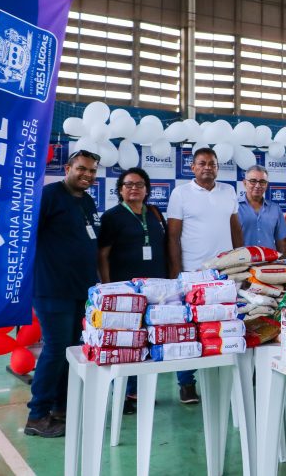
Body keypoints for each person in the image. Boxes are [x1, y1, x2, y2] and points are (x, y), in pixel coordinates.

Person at [25, 149, 101, 438]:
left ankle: (61, 407)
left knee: (70, 351)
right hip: (51, 289)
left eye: (92, 171)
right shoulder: (49, 195)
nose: (87, 175)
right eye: (82, 169)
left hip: (80, 290)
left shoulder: (88, 201)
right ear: (68, 167)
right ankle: (37, 415)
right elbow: (28, 236)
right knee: (56, 350)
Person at [166, 147, 243, 404]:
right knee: (189, 327)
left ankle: (222, 377)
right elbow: (173, 236)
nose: (207, 167)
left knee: (223, 325)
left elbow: (235, 229)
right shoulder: (181, 193)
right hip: (193, 273)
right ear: (193, 167)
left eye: (212, 163)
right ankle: (186, 382)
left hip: (224, 273)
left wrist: (242, 261)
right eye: (202, 163)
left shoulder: (228, 191)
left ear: (217, 167)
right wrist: (177, 272)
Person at [97, 167, 168, 415]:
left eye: (139, 184)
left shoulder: (155, 214)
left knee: (148, 340)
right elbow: (103, 255)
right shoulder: (112, 216)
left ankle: (139, 392)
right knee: (125, 342)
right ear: (120, 190)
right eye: (128, 185)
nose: (134, 188)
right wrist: (108, 288)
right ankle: (122, 394)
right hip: (124, 290)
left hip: (155, 289)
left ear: (147, 189)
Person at [238, 165, 286, 256]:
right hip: (241, 265)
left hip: (269, 265)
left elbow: (281, 243)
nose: (258, 185)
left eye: (262, 182)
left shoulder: (275, 209)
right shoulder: (234, 207)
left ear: (266, 185)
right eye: (253, 181)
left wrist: (284, 265)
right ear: (244, 183)